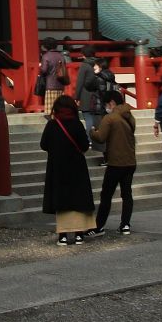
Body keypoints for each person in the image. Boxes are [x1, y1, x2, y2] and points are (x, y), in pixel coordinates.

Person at [39, 95, 95, 245]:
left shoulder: (52, 125)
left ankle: (63, 235)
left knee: (61, 200)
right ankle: (78, 234)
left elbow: (43, 145)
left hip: (57, 168)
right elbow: (84, 146)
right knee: (77, 198)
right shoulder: (77, 124)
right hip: (76, 167)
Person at [87, 90, 137, 236]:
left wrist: (92, 132)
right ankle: (125, 224)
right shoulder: (129, 116)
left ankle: (99, 226)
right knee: (127, 194)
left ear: (111, 103)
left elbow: (100, 137)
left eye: (106, 104)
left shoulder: (110, 118)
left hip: (116, 162)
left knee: (106, 195)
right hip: (130, 161)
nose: (106, 107)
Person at [38, 38, 70, 116]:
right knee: (60, 109)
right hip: (61, 84)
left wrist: (40, 67)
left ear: (46, 46)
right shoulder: (61, 56)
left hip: (50, 85)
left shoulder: (46, 56)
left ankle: (53, 124)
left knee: (51, 111)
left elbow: (44, 70)